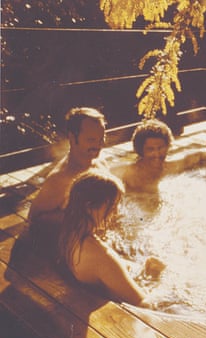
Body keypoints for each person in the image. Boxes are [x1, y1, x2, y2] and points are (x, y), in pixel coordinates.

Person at [58, 170, 163, 308]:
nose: (117, 212)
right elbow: (144, 304)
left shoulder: (70, 232)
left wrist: (141, 270)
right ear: (89, 206)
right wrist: (155, 277)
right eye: (112, 206)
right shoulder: (100, 256)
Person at [29, 107, 107, 228]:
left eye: (102, 138)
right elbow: (34, 217)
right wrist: (79, 218)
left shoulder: (100, 162)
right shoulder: (61, 178)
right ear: (72, 137)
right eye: (91, 139)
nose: (98, 145)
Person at [121, 119, 173, 193]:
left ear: (167, 146)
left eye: (160, 148)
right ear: (140, 150)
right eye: (150, 149)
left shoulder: (170, 168)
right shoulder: (132, 177)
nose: (157, 154)